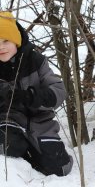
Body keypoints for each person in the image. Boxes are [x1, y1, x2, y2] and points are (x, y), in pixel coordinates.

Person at [0, 11, 73, 176]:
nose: (1, 47)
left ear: (16, 41)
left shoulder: (35, 60)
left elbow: (59, 90)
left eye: (5, 41)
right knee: (9, 144)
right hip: (7, 120)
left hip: (40, 124)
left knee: (60, 169)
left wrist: (32, 96)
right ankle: (17, 172)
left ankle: (36, 158)